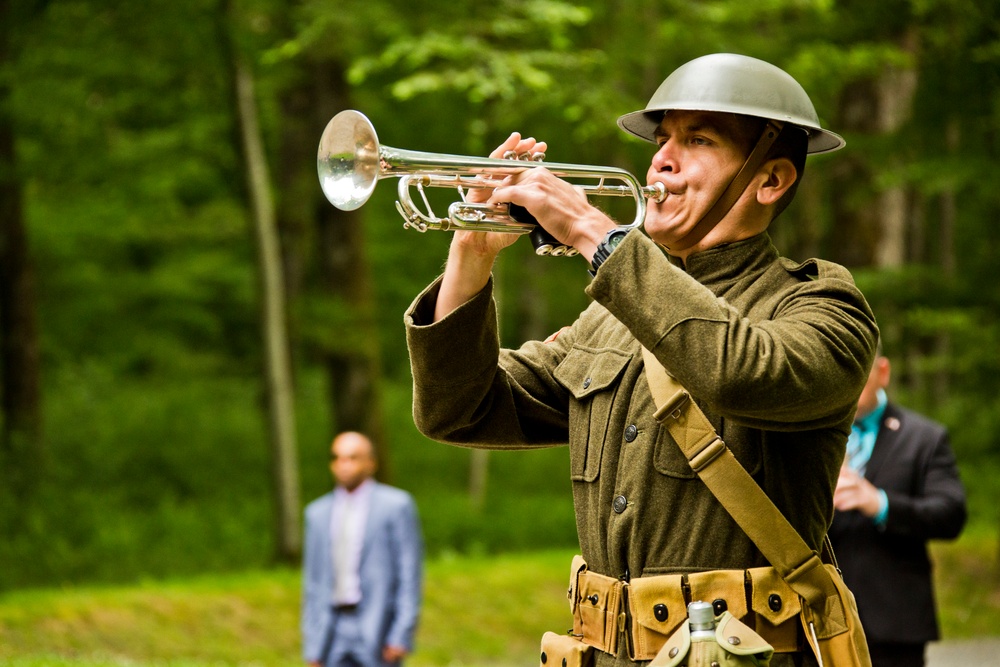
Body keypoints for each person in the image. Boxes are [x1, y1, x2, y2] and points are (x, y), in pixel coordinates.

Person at [404, 53, 879, 667]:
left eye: (698, 140)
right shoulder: (610, 315)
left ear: (770, 180)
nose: (662, 158)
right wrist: (471, 252)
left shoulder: (820, 304)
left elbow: (737, 370)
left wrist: (589, 230)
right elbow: (459, 410)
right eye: (662, 140)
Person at [829, 346, 967, 667]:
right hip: (822, 615)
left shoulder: (925, 437)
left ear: (883, 371)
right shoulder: (808, 437)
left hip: (895, 620)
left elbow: (950, 514)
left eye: (859, 371)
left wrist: (881, 504)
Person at [301, 431, 423, 667]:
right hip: (332, 630)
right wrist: (312, 645)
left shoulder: (396, 506)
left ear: (371, 463)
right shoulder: (316, 513)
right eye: (337, 458)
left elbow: (409, 573)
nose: (344, 465)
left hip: (377, 628)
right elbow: (312, 583)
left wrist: (401, 634)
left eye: (353, 458)